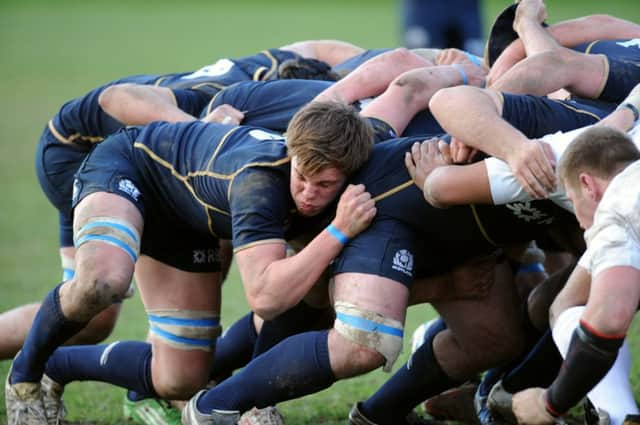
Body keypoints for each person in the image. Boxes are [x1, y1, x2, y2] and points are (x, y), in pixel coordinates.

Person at [3, 100, 377, 425]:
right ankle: (23, 378)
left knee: (180, 379)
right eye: (302, 176)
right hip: (132, 166)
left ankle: (58, 365)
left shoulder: (355, 153)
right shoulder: (260, 182)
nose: (308, 194)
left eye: (324, 185)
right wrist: (339, 230)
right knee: (104, 281)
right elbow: (265, 296)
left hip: (187, 218)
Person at [406, 84, 640, 425]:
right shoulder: (612, 142)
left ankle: (620, 416)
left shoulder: (615, 203)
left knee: (587, 311)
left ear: (588, 186)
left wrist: (549, 403)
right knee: (562, 303)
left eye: (574, 204)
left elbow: (606, 323)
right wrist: (627, 112)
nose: (577, 218)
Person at [400, 0, 484, 56]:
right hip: (424, 11)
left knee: (469, 60)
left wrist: (474, 33)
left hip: (463, 9)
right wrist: (415, 23)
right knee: (423, 58)